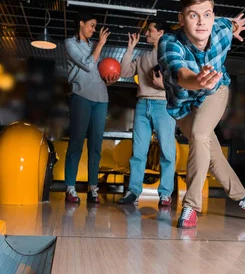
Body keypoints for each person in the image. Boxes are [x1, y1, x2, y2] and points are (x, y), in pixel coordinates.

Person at [158, 0, 245, 228]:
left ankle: (190, 206)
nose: (201, 22)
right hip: (183, 104)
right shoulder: (169, 42)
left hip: (216, 92)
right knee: (209, 150)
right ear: (181, 18)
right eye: (193, 15)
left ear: (213, 16)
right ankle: (244, 197)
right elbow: (181, 74)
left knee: (199, 134)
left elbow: (231, 23)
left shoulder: (221, 29)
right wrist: (197, 81)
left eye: (206, 15)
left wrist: (236, 27)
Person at [117, 21, 176, 206]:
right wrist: (129, 49)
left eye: (150, 30)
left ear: (160, 32)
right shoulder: (143, 57)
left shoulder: (171, 56)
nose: (146, 33)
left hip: (163, 105)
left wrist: (164, 86)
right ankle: (133, 191)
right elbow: (124, 71)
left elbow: (181, 85)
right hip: (142, 104)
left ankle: (165, 194)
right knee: (138, 152)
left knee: (167, 151)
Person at [64, 11, 119, 204]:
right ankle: (70, 188)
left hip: (101, 98)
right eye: (92, 25)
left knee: (96, 146)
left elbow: (97, 71)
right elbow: (87, 64)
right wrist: (101, 44)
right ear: (81, 23)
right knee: (76, 143)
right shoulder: (70, 43)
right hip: (81, 96)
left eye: (95, 26)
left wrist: (108, 80)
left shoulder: (94, 45)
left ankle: (93, 188)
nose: (94, 30)